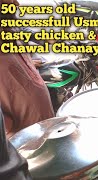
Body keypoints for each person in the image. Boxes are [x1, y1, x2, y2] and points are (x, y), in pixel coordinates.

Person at [0, 0, 54, 137]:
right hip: (23, 142)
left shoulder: (9, 28)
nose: (16, 3)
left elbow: (23, 31)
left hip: (44, 126)